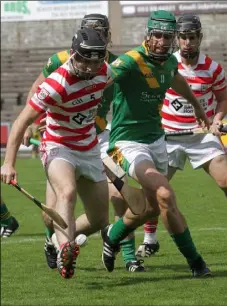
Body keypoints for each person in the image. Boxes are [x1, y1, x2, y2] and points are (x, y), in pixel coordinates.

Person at [22, 14, 143, 273]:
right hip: (62, 140)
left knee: (120, 194)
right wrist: (34, 122)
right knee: (50, 211)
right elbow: (37, 90)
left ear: (109, 36)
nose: (97, 36)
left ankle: (128, 256)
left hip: (102, 138)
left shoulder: (116, 65)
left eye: (102, 31)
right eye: (90, 30)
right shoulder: (60, 60)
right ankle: (53, 240)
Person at [100, 10, 212, 278]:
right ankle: (196, 263)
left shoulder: (169, 62)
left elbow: (176, 78)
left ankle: (112, 236)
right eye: (158, 35)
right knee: (165, 195)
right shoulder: (130, 62)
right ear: (148, 36)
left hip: (156, 140)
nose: (162, 41)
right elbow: (100, 82)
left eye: (167, 36)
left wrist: (197, 105)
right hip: (126, 143)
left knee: (151, 207)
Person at [1, 27, 111, 279]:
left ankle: (54, 240)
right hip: (58, 144)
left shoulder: (104, 72)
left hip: (89, 146)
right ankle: (65, 250)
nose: (90, 67)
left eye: (95, 61)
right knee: (67, 192)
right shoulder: (55, 85)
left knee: (99, 219)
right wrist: (8, 163)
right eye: (85, 60)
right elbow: (19, 123)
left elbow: (108, 82)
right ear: (73, 54)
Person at [137, 14, 227, 258]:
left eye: (192, 37)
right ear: (177, 39)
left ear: (199, 38)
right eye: (183, 37)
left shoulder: (213, 68)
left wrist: (216, 120)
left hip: (202, 136)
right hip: (169, 136)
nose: (188, 42)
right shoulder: (166, 64)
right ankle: (150, 240)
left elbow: (223, 100)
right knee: (155, 191)